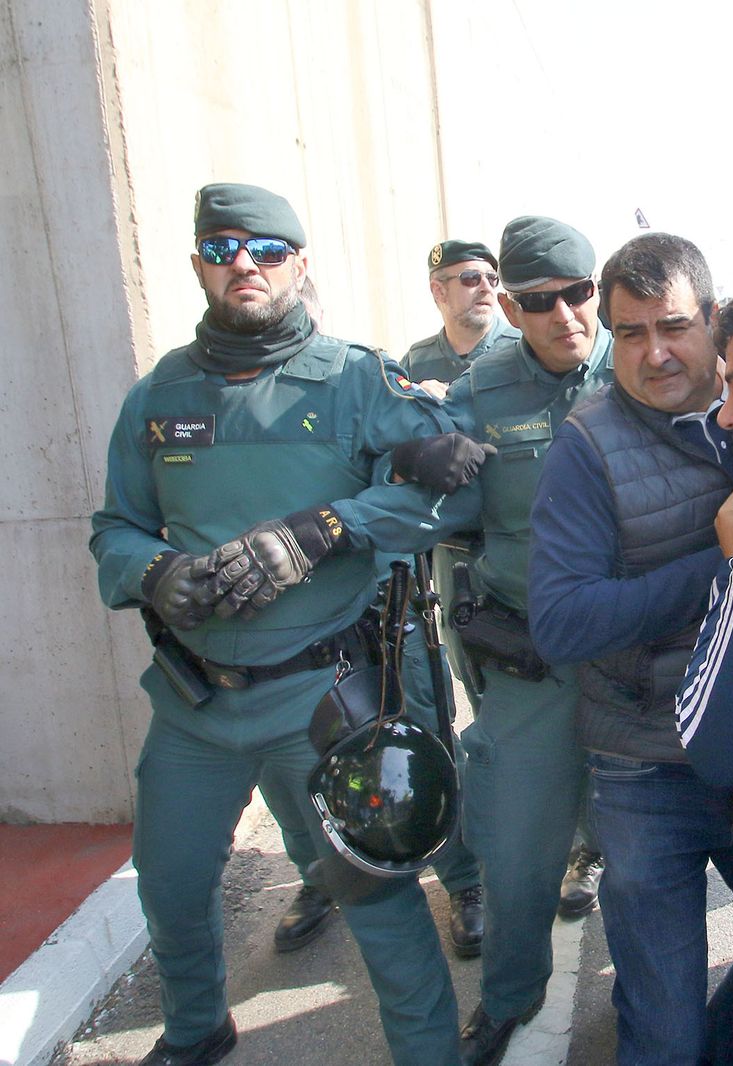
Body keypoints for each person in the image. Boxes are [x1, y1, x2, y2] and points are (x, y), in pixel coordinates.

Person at [88, 182, 474, 1066]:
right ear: (198, 266)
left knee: (376, 897)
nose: (244, 266)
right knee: (174, 882)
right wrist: (154, 575)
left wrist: (325, 529)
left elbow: (453, 489)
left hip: (321, 697)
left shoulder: (353, 381)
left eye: (265, 250)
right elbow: (115, 526)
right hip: (196, 706)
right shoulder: (156, 398)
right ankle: (195, 1029)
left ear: (298, 264)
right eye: (222, 250)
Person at [528, 233, 733, 1065]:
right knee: (661, 1019)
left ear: (712, 317)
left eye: (671, 327)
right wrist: (723, 559)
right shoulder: (586, 450)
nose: (654, 353)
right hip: (644, 766)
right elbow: (560, 622)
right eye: (629, 334)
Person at [402, 216, 614, 1066]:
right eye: (538, 302)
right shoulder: (482, 392)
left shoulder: (648, 364)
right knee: (519, 856)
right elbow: (433, 504)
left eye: (578, 294)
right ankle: (508, 998)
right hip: (535, 661)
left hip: (641, 661)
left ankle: (650, 1003)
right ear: (511, 307)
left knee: (654, 858)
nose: (564, 316)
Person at [262, 269, 487, 963]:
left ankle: (464, 882)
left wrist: (414, 451)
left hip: (383, 618)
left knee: (418, 749)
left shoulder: (362, 385)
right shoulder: (230, 403)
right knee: (286, 770)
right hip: (282, 632)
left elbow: (446, 461)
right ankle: (320, 877)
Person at [400, 239, 519, 391]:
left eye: (491, 279)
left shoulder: (523, 349)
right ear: (439, 291)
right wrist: (415, 400)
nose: (486, 288)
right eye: (471, 278)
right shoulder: (415, 361)